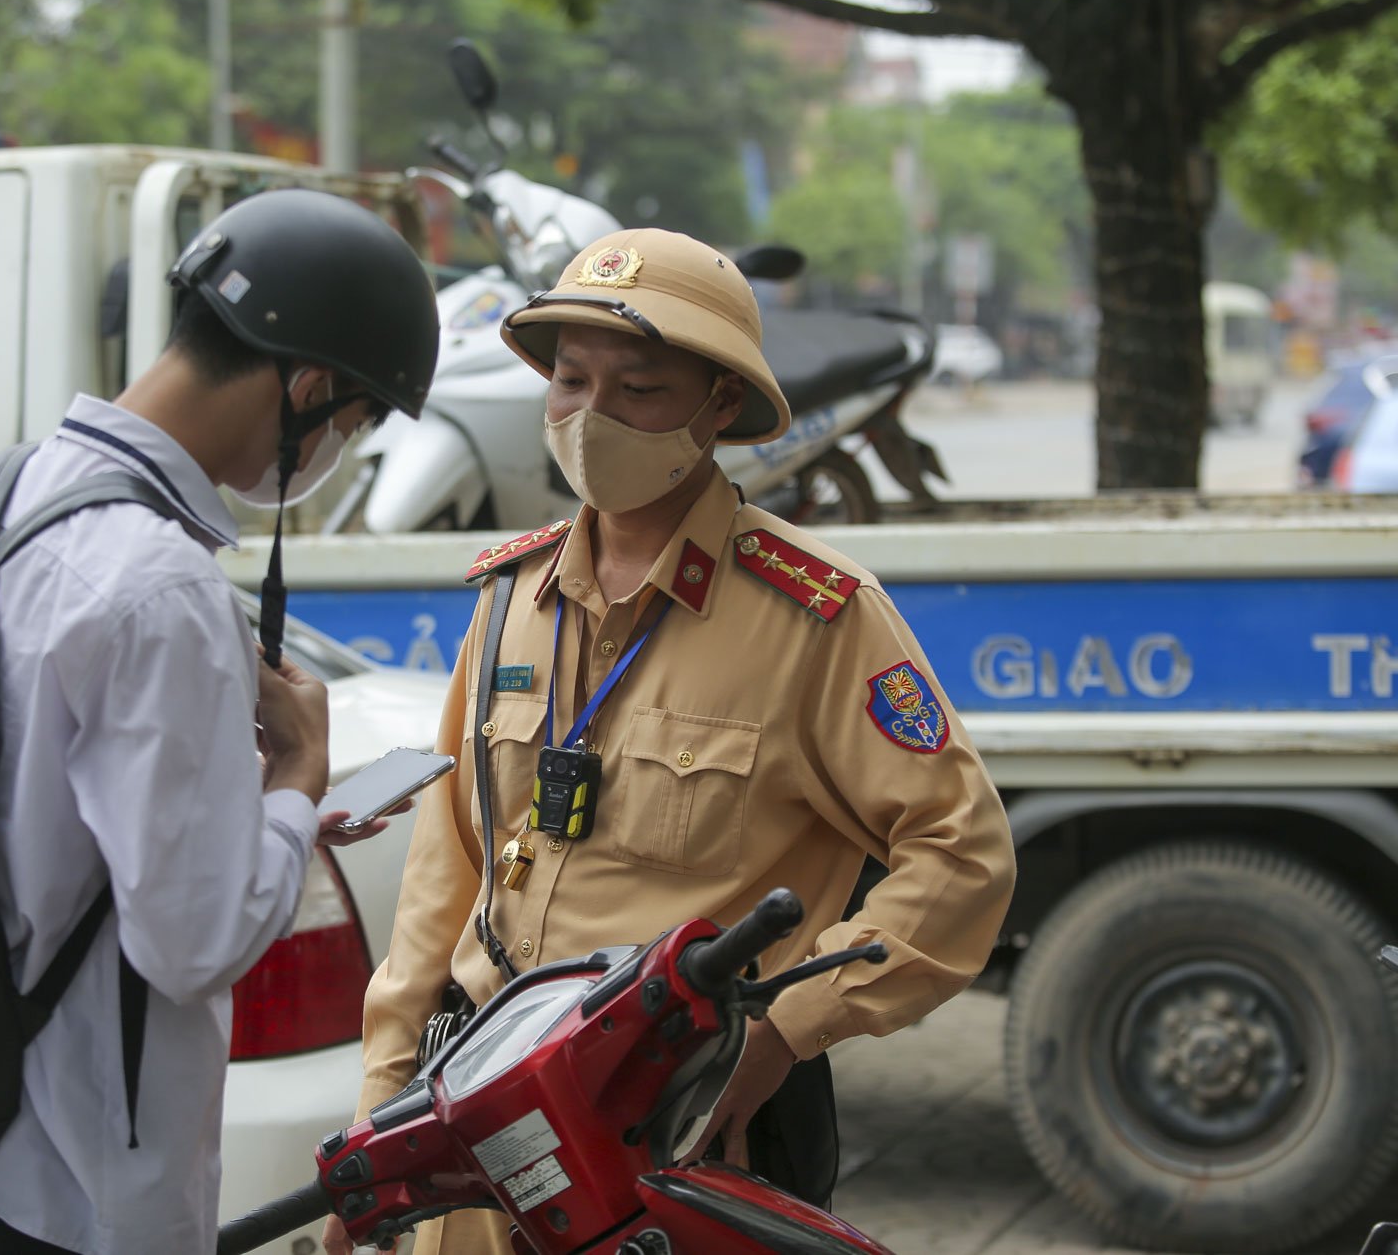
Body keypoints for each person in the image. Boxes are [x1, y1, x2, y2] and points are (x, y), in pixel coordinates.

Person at [323, 229, 1015, 1255]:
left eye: (638, 389)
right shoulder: (510, 600)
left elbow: (962, 858)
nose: (590, 417)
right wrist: (381, 1114)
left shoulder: (814, 617)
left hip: (682, 1132)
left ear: (717, 405)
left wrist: (785, 1028)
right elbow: (447, 869)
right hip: (482, 1115)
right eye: (569, 381)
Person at [0, 188, 439, 1255]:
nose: (336, 450)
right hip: (76, 1170)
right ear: (311, 387)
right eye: (352, 423)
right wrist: (295, 784)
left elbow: (22, 802)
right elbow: (192, 942)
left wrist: (248, 813)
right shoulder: (162, 585)